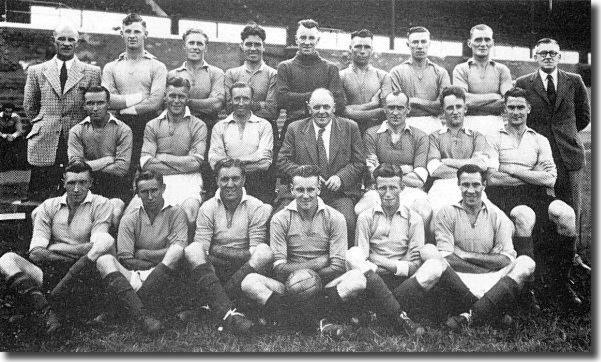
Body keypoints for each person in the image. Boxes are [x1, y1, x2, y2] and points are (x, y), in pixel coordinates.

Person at [485, 87, 582, 308]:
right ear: (504, 110)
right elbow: (492, 179)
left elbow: (549, 179)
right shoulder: (493, 138)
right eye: (511, 107)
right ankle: (527, 286)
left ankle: (562, 282)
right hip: (504, 195)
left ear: (529, 108)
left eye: (520, 107)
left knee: (566, 214)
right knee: (524, 215)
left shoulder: (540, 140)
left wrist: (510, 169)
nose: (516, 112)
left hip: (537, 194)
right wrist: (532, 174)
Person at [241, 165, 363, 335]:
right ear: (292, 190)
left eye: (311, 189)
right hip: (289, 285)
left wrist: (308, 281)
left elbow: (337, 267)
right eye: (300, 190)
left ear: (319, 189)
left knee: (357, 279)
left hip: (323, 285)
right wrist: (317, 262)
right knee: (249, 282)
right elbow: (278, 269)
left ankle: (290, 319)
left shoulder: (335, 217)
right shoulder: (280, 218)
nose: (305, 195)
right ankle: (319, 321)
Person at [0, 162, 114, 334]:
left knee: (97, 253)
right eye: (71, 183)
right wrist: (75, 250)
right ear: (63, 182)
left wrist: (54, 246)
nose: (76, 189)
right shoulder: (48, 206)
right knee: (7, 259)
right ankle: (46, 312)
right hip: (49, 271)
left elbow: (95, 247)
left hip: (82, 273)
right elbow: (36, 252)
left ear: (91, 182)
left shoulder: (101, 204)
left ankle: (39, 308)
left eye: (82, 182)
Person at [429, 164, 536, 330]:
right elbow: (447, 257)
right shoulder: (446, 213)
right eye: (465, 185)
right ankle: (491, 311)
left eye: (476, 185)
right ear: (458, 185)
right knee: (432, 258)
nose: (470, 190)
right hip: (460, 278)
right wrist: (485, 265)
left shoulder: (497, 215)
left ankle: (469, 315)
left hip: (493, 278)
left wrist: (464, 255)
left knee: (526, 263)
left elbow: (506, 259)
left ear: (484, 186)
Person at [347, 164, 448, 335]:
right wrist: (396, 265)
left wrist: (378, 259)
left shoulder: (414, 219)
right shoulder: (365, 217)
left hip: (402, 284)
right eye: (382, 188)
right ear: (375, 189)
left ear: (402, 188)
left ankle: (379, 312)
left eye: (393, 187)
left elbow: (414, 266)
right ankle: (401, 318)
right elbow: (362, 260)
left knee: (434, 267)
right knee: (352, 254)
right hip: (374, 280)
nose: (387, 194)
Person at [515, 38, 590, 253]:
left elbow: (583, 116)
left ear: (559, 56)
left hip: (569, 154)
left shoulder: (574, 81)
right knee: (540, 202)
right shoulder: (523, 83)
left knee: (573, 206)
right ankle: (541, 253)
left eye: (552, 53)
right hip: (538, 154)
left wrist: (565, 134)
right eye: (543, 53)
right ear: (535, 56)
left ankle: (572, 254)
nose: (548, 56)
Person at [182, 159, 272, 334]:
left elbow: (254, 252)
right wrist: (216, 252)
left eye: (235, 178)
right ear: (217, 180)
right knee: (192, 249)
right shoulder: (207, 207)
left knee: (264, 252)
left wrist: (218, 249)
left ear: (244, 180)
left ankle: (212, 304)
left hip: (245, 270)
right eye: (224, 179)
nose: (230, 184)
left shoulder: (256, 206)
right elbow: (203, 250)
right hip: (213, 269)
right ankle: (231, 313)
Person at [95, 170, 187, 334]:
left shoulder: (176, 213)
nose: (150, 197)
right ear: (137, 193)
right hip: (136, 275)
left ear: (163, 188)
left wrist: (142, 253)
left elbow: (178, 250)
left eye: (154, 190)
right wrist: (158, 257)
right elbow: (125, 259)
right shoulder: (130, 218)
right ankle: (144, 316)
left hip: (166, 275)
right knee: (104, 260)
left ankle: (129, 307)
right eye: (144, 192)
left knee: (175, 252)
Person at [277, 88, 365, 246]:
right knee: (277, 219)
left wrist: (341, 177)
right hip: (301, 192)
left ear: (334, 107)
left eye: (326, 107)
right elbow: (282, 161)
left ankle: (341, 263)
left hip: (337, 194)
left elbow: (359, 162)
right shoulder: (295, 128)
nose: (322, 112)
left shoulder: (350, 127)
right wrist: (306, 175)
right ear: (308, 108)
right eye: (316, 107)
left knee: (347, 222)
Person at [24, 22, 101, 201]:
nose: (66, 43)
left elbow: (93, 105)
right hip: (45, 139)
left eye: (71, 39)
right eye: (62, 39)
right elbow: (30, 105)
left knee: (77, 192)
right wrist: (46, 122)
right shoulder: (37, 71)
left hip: (76, 139)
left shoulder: (91, 72)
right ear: (54, 41)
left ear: (77, 43)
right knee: (39, 197)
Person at [133, 77, 206, 230]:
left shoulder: (199, 125)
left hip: (189, 181)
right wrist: (184, 163)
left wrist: (163, 157)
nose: (176, 101)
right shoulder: (152, 125)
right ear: (165, 96)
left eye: (181, 96)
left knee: (190, 215)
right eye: (172, 96)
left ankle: (183, 250)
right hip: (156, 179)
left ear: (188, 98)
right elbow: (146, 163)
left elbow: (196, 163)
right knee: (131, 214)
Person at [102, 13, 167, 179]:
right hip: (118, 125)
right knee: (121, 173)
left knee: (148, 173)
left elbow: (156, 101)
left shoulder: (157, 66)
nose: (132, 36)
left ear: (146, 34)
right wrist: (140, 96)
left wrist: (124, 106)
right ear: (121, 34)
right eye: (128, 31)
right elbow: (107, 100)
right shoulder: (111, 67)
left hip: (148, 125)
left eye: (137, 31)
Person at [168, 27, 225, 197]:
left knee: (207, 169)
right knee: (183, 166)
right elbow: (170, 103)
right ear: (184, 47)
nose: (195, 47)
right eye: (191, 43)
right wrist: (201, 103)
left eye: (199, 43)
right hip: (180, 126)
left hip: (208, 126)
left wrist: (185, 101)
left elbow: (215, 104)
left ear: (205, 47)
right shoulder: (173, 74)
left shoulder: (215, 72)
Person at [355, 91, 430, 218]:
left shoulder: (420, 136)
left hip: (410, 190)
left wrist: (383, 168)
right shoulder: (371, 134)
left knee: (424, 211)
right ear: (384, 109)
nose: (395, 113)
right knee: (360, 210)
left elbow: (418, 181)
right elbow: (372, 175)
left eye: (400, 108)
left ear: (408, 109)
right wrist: (406, 169)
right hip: (378, 189)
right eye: (391, 107)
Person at [275, 19, 346, 140]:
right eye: (303, 37)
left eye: (311, 38)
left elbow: (339, 102)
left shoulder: (330, 68)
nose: (307, 42)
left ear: (317, 40)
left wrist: (297, 98)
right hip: (293, 128)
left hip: (324, 128)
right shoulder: (285, 67)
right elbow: (282, 99)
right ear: (296, 39)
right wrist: (319, 96)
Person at [426, 86, 489, 212]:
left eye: (458, 107)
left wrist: (447, 161)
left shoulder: (477, 136)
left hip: (472, 187)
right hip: (442, 188)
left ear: (465, 109)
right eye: (450, 108)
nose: (455, 111)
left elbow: (481, 166)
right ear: (443, 111)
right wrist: (469, 166)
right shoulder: (433, 137)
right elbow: (435, 170)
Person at [209, 82, 274, 203]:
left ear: (252, 100)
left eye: (245, 99)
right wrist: (254, 157)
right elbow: (214, 162)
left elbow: (264, 164)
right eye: (237, 99)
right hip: (228, 185)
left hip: (257, 184)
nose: (241, 103)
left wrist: (229, 161)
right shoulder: (219, 127)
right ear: (231, 100)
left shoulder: (264, 125)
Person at [68, 85, 133, 203]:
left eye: (100, 103)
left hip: (115, 186)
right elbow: (76, 168)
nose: (95, 108)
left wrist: (87, 165)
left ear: (108, 104)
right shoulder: (76, 131)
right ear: (84, 106)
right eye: (90, 103)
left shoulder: (123, 130)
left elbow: (121, 169)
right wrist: (107, 160)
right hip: (85, 187)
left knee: (115, 212)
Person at [452, 24, 512, 137]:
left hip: (496, 123)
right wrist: (495, 96)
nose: (483, 44)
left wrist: (473, 101)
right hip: (468, 123)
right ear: (469, 43)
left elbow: (507, 101)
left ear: (492, 43)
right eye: (478, 40)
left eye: (487, 40)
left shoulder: (502, 69)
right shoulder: (460, 69)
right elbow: (463, 101)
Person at [389, 26, 450, 134]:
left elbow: (442, 107)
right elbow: (397, 108)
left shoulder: (441, 73)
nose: (420, 46)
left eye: (423, 42)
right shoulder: (396, 72)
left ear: (429, 43)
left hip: (433, 125)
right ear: (408, 44)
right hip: (405, 125)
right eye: (415, 42)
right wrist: (431, 105)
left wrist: (412, 100)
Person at [224, 23, 278, 124]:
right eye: (249, 44)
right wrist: (261, 105)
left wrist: (241, 106)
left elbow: (272, 111)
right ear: (242, 46)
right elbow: (229, 108)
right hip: (237, 127)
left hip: (265, 128)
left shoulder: (273, 74)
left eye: (257, 44)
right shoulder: (231, 74)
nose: (253, 49)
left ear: (264, 46)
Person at [340, 29, 391, 133]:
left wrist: (352, 110)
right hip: (348, 132)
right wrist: (372, 105)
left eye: (367, 47)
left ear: (372, 49)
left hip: (376, 132)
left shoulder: (383, 76)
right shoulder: (340, 76)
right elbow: (341, 111)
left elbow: (386, 111)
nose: (362, 51)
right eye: (358, 46)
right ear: (350, 48)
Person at [0, 102, 27, 171]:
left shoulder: (16, 117)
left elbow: (19, 130)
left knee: (21, 141)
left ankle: (21, 165)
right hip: (2, 135)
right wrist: (4, 136)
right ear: (3, 111)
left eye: (10, 112)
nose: (8, 114)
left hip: (12, 136)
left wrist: (13, 136)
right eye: (6, 111)